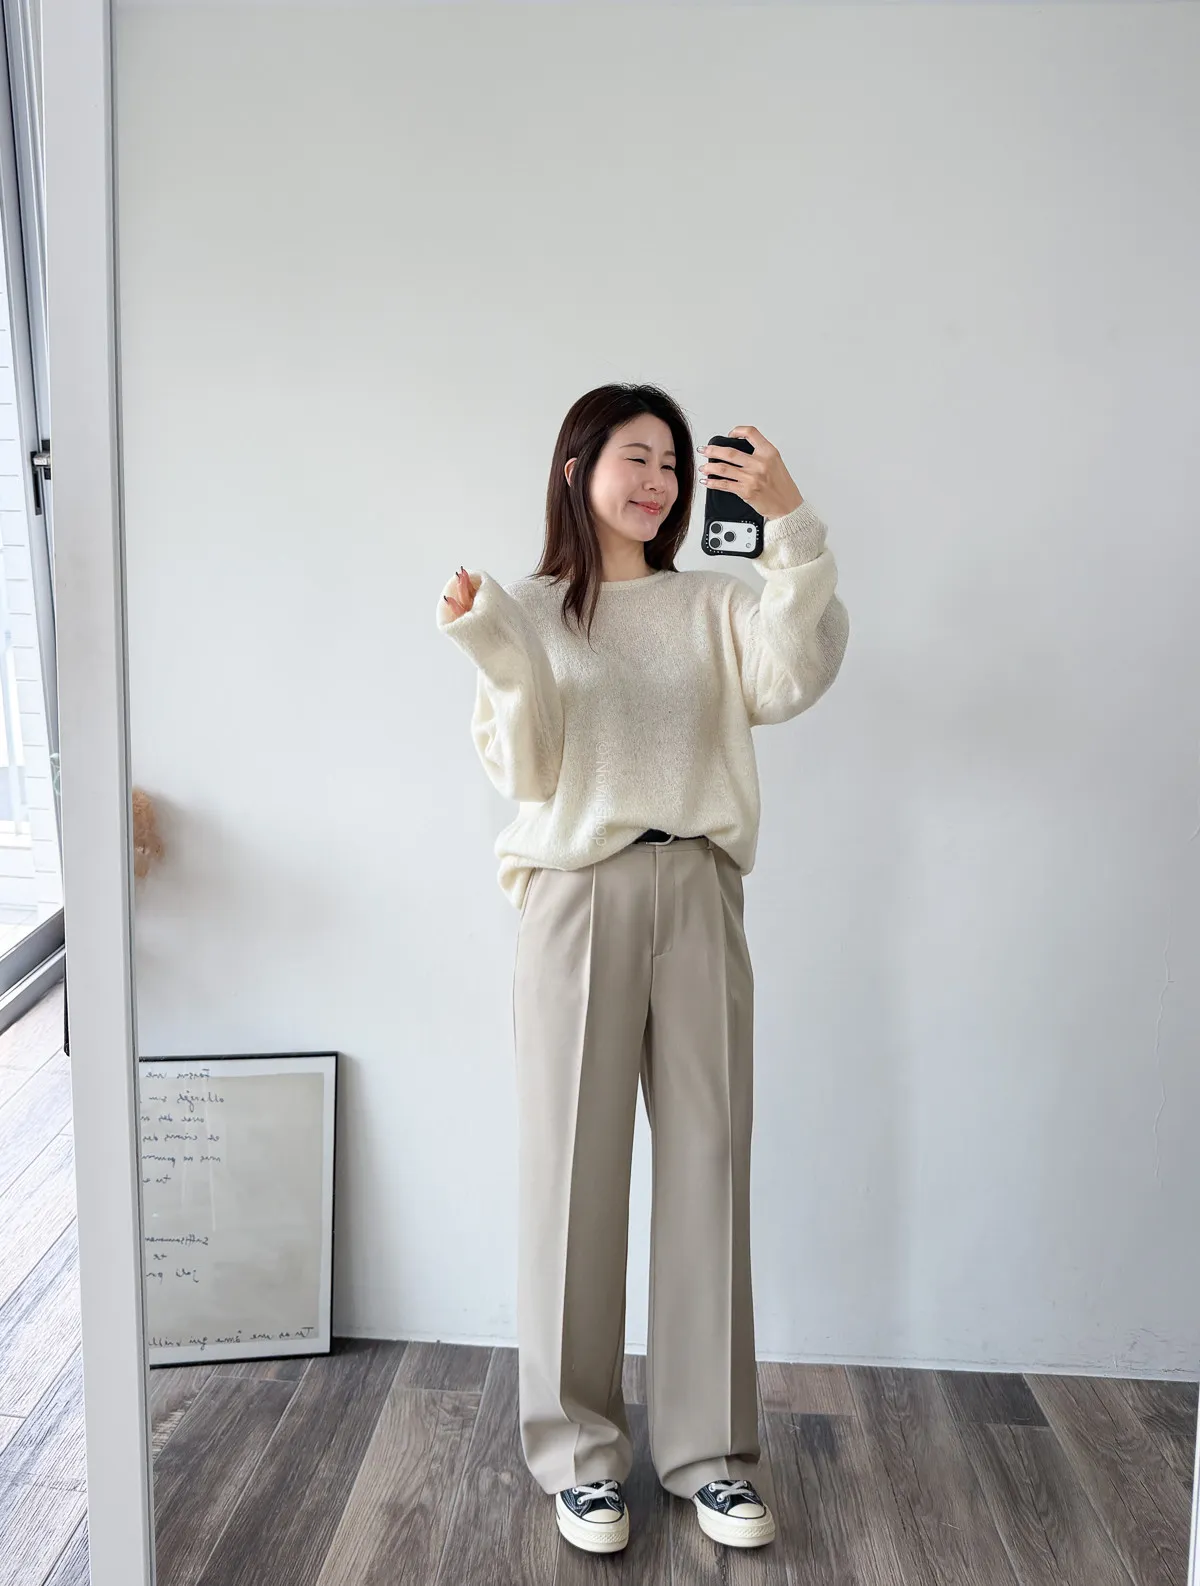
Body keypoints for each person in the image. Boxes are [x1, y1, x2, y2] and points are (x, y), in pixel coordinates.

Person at [436, 383, 849, 1555]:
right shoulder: (525, 609)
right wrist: (493, 647)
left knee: (710, 1161)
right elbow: (526, 769)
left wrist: (790, 524)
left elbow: (795, 672)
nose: (659, 480)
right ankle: (579, 1456)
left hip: (700, 885)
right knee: (572, 1171)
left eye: (672, 461)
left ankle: (713, 1455)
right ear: (578, 467)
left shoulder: (714, 603)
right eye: (637, 456)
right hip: (576, 894)